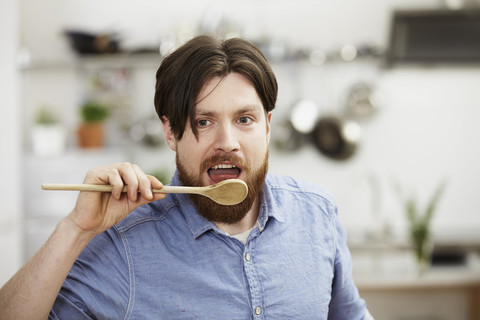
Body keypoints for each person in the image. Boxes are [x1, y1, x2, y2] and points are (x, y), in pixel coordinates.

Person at [0, 35, 373, 319]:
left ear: (268, 127)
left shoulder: (317, 213)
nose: (227, 143)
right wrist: (76, 228)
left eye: (244, 119)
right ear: (170, 132)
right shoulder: (124, 247)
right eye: (203, 122)